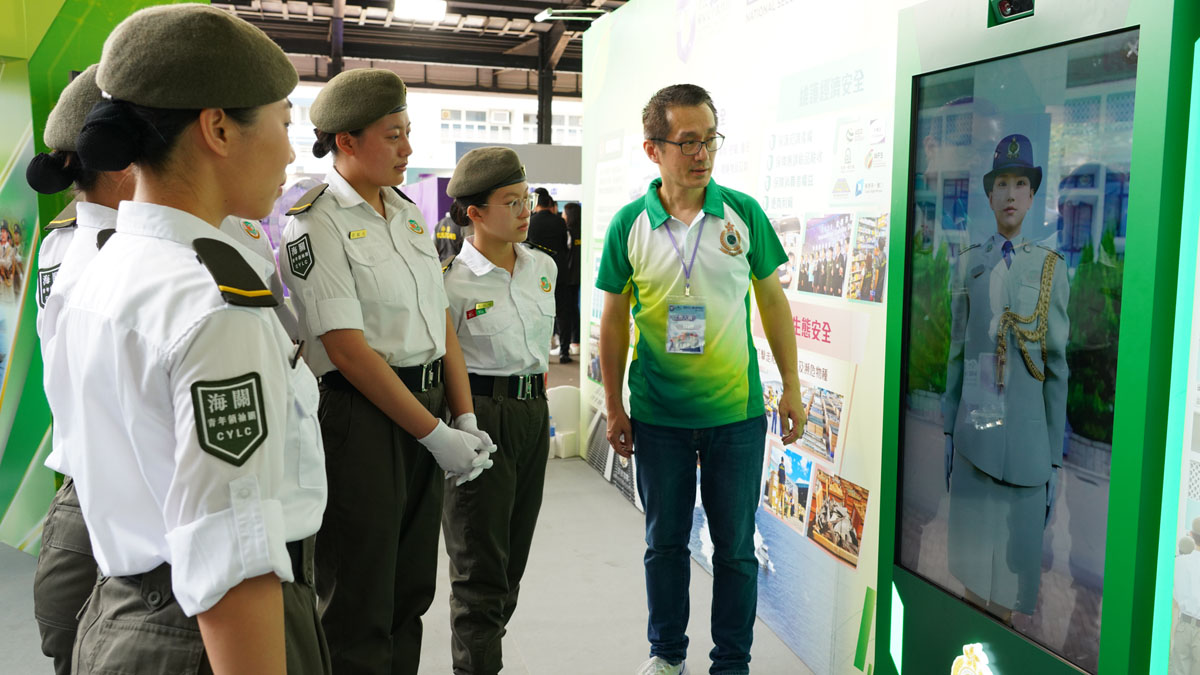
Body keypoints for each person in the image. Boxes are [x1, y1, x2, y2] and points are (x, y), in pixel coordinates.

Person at [42, 5, 329, 674]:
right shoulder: (214, 307)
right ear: (218, 127)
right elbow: (230, 560)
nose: (290, 151)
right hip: (205, 638)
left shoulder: (102, 266)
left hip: (120, 616)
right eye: (284, 124)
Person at [279, 67, 493, 674]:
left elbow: (439, 322)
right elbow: (346, 348)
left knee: (409, 591)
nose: (407, 148)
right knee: (359, 601)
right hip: (360, 416)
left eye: (408, 131)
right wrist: (433, 434)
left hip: (426, 407)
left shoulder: (407, 213)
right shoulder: (313, 221)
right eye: (393, 135)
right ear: (346, 141)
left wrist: (464, 414)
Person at [596, 83, 806, 675]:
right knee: (664, 545)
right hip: (658, 416)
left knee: (736, 551)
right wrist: (614, 406)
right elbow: (612, 322)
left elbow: (772, 304)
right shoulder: (628, 225)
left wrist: (791, 385)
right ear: (652, 149)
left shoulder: (743, 214)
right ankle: (667, 656)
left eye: (710, 139)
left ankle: (731, 662)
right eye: (687, 141)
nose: (702, 153)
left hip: (734, 417)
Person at [25, 63, 135, 675]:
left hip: (154, 482)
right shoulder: (60, 241)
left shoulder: (214, 241)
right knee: (61, 625)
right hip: (79, 475)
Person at [942, 133, 1069, 623]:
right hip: (976, 440)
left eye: (1021, 183)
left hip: (1026, 449)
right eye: (1002, 184)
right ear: (990, 195)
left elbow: (1056, 369)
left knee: (1012, 588)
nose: (1011, 193)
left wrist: (1054, 460)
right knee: (972, 576)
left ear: (1032, 195)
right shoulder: (969, 263)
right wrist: (950, 429)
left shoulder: (1051, 270)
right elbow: (957, 354)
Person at [440, 146, 556, 675]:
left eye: (525, 198)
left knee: (512, 561)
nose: (524, 209)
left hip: (534, 413)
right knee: (478, 570)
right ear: (475, 213)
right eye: (510, 201)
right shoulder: (451, 283)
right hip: (482, 416)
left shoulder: (543, 268)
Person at [526, 187, 571, 362]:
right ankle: (564, 352)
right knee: (562, 312)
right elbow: (563, 246)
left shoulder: (530, 222)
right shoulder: (559, 222)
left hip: (535, 272)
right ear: (550, 203)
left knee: (535, 312)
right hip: (559, 271)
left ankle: (537, 353)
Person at [564, 201, 583, 350]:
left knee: (568, 309)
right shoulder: (583, 231)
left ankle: (572, 340)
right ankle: (576, 341)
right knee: (574, 308)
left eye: (564, 212)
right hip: (579, 275)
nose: (562, 215)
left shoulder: (568, 232)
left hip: (569, 276)